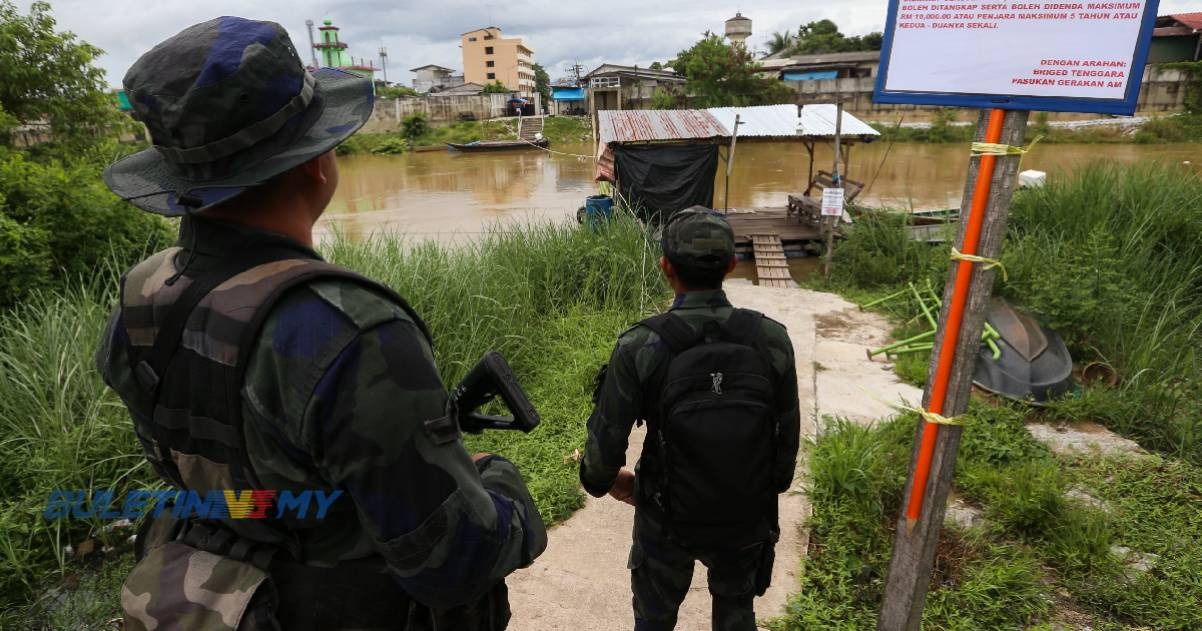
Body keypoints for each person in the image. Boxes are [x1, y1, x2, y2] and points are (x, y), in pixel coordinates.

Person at [95, 17, 545, 631]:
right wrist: (500, 482)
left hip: (219, 598)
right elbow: (452, 563)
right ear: (315, 162)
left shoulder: (140, 292)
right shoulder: (349, 331)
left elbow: (212, 461)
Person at [579, 208, 801, 631]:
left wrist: (612, 482)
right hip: (745, 515)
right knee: (737, 615)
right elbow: (785, 447)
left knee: (654, 620)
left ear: (666, 268)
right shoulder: (771, 339)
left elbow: (602, 453)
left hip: (665, 519)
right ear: (732, 265)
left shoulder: (641, 346)